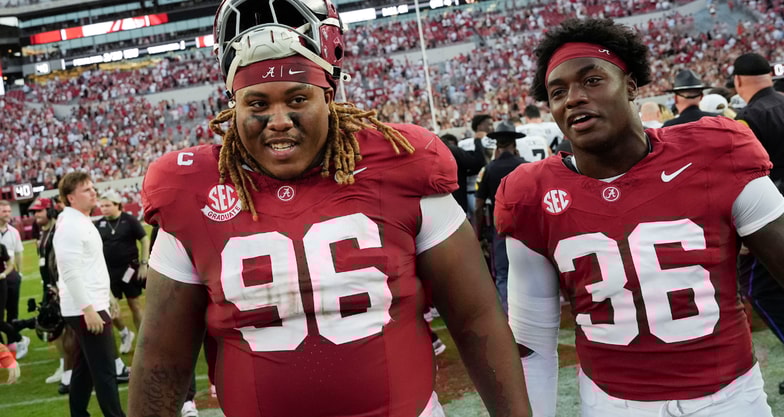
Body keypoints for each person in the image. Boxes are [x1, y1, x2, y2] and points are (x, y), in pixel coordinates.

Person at [128, 0, 529, 416]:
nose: (278, 120)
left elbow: (476, 318)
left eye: (297, 98)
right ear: (234, 106)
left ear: (329, 96)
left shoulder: (400, 163)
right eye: (258, 104)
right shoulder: (191, 190)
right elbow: (161, 359)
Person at [497, 17, 784, 417]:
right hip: (611, 405)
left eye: (592, 80)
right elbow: (531, 342)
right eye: (558, 91)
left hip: (730, 399)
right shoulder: (531, 194)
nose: (573, 99)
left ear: (631, 86)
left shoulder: (714, 153)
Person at [732, 52, 784, 396]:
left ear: (738, 81)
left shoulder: (748, 117)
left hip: (775, 213)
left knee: (760, 287)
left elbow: (746, 173)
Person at [54, 172, 126, 417]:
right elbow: (70, 272)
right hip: (85, 308)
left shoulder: (79, 220)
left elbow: (91, 266)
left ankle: (78, 413)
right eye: (86, 189)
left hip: (91, 303)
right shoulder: (70, 226)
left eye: (93, 187)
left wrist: (106, 298)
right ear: (71, 197)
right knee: (105, 370)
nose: (94, 192)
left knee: (84, 368)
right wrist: (88, 309)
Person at [474, 121, 527, 313]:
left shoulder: (488, 169)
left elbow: (478, 206)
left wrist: (478, 235)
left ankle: (510, 316)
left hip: (501, 229)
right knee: (530, 272)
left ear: (497, 144)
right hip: (527, 229)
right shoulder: (526, 167)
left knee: (503, 274)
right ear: (514, 143)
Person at [29, 197, 77, 393]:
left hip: (58, 287)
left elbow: (61, 261)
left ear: (49, 211)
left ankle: (69, 368)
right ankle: (64, 364)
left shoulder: (58, 231)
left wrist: (58, 285)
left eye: (39, 211)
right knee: (53, 328)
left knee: (65, 330)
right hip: (49, 287)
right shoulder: (44, 232)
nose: (36, 215)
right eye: (34, 212)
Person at [95, 190, 150, 354]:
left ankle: (143, 342)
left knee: (135, 304)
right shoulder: (98, 224)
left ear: (117, 205)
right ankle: (125, 333)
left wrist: (144, 264)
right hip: (108, 272)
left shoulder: (129, 220)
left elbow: (144, 239)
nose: (104, 209)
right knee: (111, 308)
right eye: (102, 206)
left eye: (107, 205)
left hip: (129, 270)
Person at [0, 200, 28, 359]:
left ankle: (13, 344)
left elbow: (18, 252)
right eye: (4, 211)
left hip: (11, 274)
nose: (7, 214)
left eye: (9, 211)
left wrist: (20, 273)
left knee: (12, 311)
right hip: (1, 273)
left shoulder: (14, 232)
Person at [440, 133, 486, 214]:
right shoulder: (452, 150)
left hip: (439, 202)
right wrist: (477, 141)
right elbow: (478, 162)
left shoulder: (431, 152)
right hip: (457, 200)